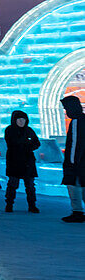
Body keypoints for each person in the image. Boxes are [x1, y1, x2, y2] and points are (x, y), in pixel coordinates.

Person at [3, 109, 40, 213]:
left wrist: (28, 146)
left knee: (30, 185)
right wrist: (26, 143)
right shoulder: (9, 130)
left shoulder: (29, 130)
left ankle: (32, 205)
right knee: (12, 184)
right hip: (14, 161)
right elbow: (12, 143)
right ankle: (9, 204)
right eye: (19, 119)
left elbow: (37, 143)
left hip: (28, 162)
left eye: (23, 119)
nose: (21, 121)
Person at [61, 95, 85, 223]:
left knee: (74, 185)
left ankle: (77, 212)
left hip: (77, 163)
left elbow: (75, 144)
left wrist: (71, 163)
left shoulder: (76, 121)